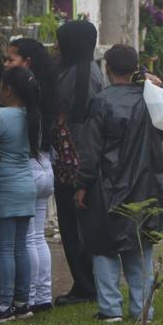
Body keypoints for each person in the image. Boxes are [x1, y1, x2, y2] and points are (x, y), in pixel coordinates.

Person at [74, 45, 163, 323]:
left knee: (103, 246)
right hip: (147, 183)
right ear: (137, 68)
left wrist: (81, 184)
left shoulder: (101, 101)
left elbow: (91, 150)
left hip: (108, 186)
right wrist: (159, 85)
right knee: (141, 247)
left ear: (107, 69)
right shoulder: (150, 98)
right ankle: (143, 309)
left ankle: (110, 309)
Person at [0, 66, 40, 323]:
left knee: (4, 249)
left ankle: (3, 305)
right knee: (20, 247)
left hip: (4, 187)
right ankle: (21, 303)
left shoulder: (1, 116)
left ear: (7, 90)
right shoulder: (32, 116)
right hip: (27, 186)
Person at [4, 39, 59, 313]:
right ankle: (43, 295)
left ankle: (28, 296)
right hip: (46, 165)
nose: (6, 65)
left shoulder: (23, 96)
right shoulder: (48, 91)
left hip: (27, 169)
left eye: (11, 59)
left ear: (27, 63)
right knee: (38, 237)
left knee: (27, 239)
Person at [53, 20, 105, 306]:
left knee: (76, 228)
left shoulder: (83, 76)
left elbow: (82, 125)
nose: (57, 47)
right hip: (76, 160)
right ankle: (85, 283)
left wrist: (82, 174)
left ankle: (86, 286)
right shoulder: (82, 69)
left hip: (76, 162)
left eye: (61, 42)